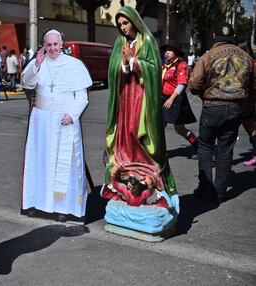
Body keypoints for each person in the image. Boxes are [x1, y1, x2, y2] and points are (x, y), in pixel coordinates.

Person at [101, 6, 179, 238]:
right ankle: (127, 170)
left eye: (126, 23)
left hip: (143, 101)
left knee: (141, 135)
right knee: (125, 134)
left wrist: (134, 62)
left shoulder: (147, 42)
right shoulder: (119, 44)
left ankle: (148, 172)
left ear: (134, 21)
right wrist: (123, 64)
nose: (123, 28)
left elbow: (154, 71)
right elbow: (114, 71)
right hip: (126, 99)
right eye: (120, 25)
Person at [21, 28, 92, 223]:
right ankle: (38, 203)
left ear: (62, 44)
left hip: (65, 120)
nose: (52, 48)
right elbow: (26, 83)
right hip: (41, 122)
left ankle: (64, 208)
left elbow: (83, 97)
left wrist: (72, 115)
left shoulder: (74, 65)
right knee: (40, 162)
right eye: (48, 44)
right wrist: (36, 64)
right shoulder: (38, 63)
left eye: (55, 44)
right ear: (44, 46)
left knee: (66, 165)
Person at [189, 22, 255, 205]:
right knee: (226, 149)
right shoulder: (247, 57)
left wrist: (202, 94)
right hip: (237, 108)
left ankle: (205, 189)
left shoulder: (208, 56)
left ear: (214, 37)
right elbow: (253, 86)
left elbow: (194, 83)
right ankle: (219, 192)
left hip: (213, 107)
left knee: (205, 146)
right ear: (232, 37)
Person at [162, 42, 198, 159]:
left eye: (170, 50)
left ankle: (198, 146)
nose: (166, 52)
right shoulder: (165, 65)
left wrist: (172, 99)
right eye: (166, 50)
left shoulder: (181, 65)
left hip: (176, 99)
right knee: (160, 126)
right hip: (164, 98)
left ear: (176, 53)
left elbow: (182, 84)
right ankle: (160, 151)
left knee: (180, 129)